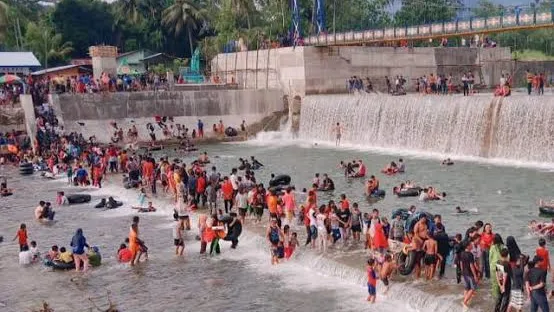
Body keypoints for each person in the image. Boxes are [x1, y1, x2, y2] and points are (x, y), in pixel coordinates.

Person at [460, 242, 479, 310]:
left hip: (464, 273)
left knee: (466, 288)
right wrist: (475, 275)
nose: (472, 246)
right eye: (470, 245)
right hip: (470, 274)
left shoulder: (462, 253)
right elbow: (471, 265)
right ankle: (465, 302)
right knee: (473, 288)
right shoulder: (470, 254)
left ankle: (465, 301)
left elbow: (461, 263)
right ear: (467, 246)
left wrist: (462, 271)